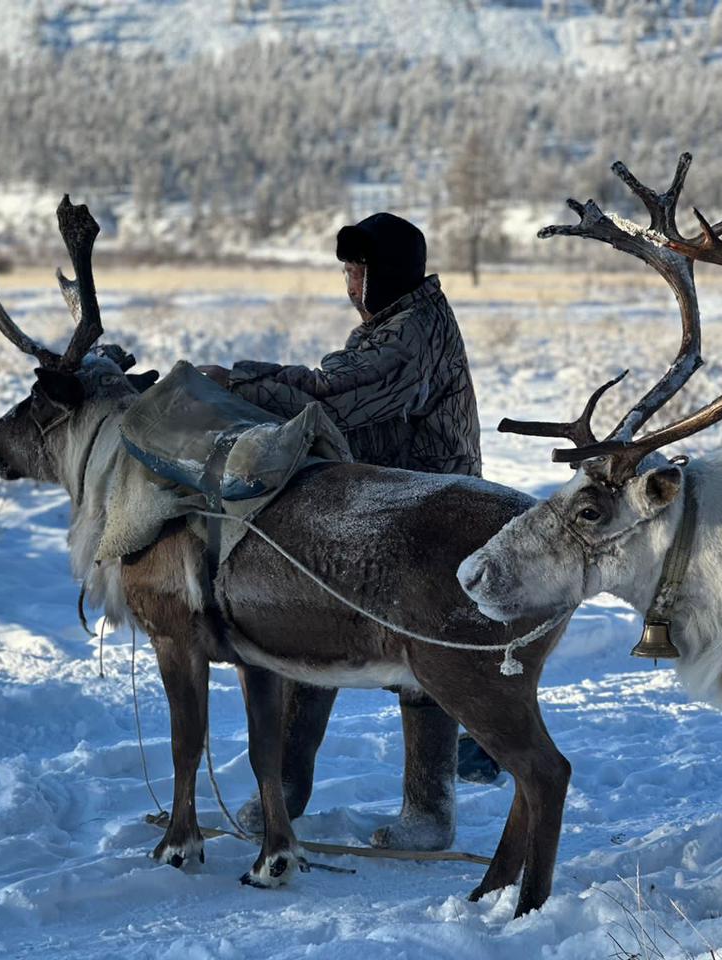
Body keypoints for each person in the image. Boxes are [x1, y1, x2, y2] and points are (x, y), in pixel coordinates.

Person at [199, 212, 495, 851]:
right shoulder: (389, 326)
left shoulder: (413, 333)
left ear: (384, 274)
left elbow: (341, 395)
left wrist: (242, 382)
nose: (349, 282)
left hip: (432, 517)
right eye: (346, 270)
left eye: (356, 270)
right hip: (384, 511)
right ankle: (288, 789)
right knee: (319, 632)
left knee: (425, 660)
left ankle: (429, 811)